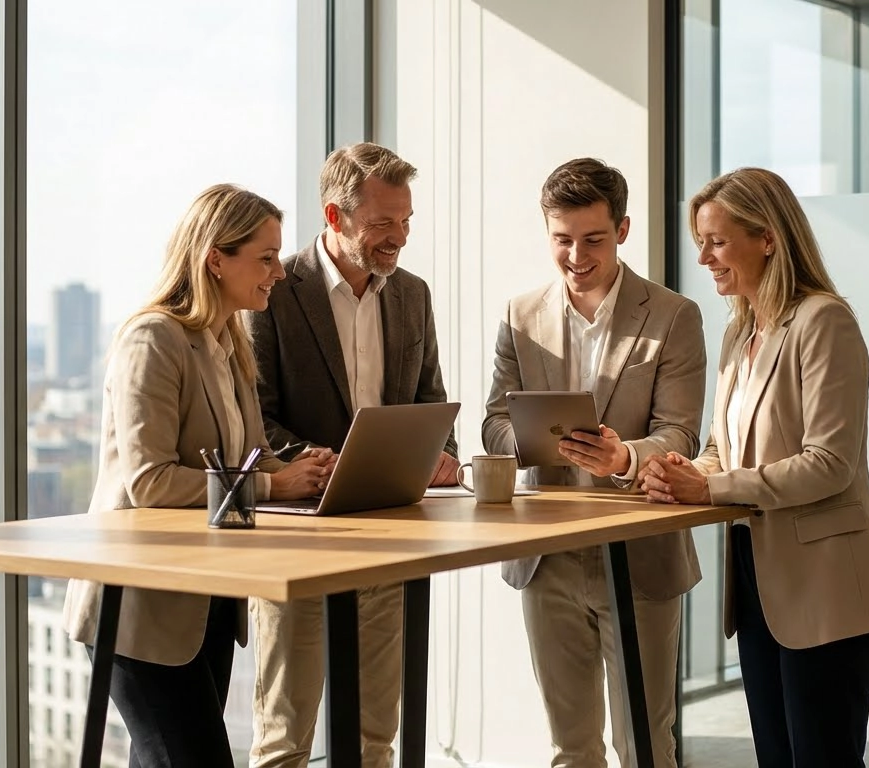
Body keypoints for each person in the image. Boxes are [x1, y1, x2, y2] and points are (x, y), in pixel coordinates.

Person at [62, 184, 334, 767]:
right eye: (265, 258)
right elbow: (150, 482)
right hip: (140, 605)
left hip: (206, 599)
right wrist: (272, 485)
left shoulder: (229, 343)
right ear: (217, 258)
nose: (278, 274)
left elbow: (254, 457)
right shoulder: (152, 338)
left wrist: (304, 469)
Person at [638, 167, 869, 767]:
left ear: (769, 238)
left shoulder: (824, 321)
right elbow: (720, 452)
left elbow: (830, 464)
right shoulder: (740, 332)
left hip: (827, 589)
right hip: (759, 587)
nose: (703, 257)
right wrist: (677, 468)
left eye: (717, 240)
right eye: (700, 241)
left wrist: (709, 485)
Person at [482, 157, 707, 768]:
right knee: (570, 746)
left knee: (644, 742)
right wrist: (531, 442)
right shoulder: (519, 315)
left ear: (624, 230)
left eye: (593, 240)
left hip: (640, 552)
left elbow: (682, 434)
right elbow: (493, 422)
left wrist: (624, 457)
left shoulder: (673, 316)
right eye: (562, 240)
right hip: (546, 557)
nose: (577, 256)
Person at [247, 142, 459, 768]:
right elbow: (254, 414)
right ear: (335, 218)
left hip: (389, 534)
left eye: (406, 220)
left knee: (374, 737)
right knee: (286, 737)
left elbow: (430, 398)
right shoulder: (274, 292)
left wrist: (439, 454)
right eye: (382, 224)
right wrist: (308, 460)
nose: (398, 237)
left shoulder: (411, 295)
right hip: (299, 534)